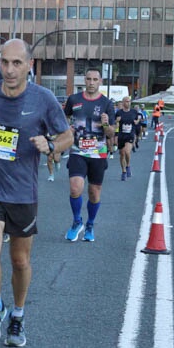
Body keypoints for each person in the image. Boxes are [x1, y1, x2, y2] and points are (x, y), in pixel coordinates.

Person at [0, 40, 72, 347]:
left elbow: (67, 136)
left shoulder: (43, 99)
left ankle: (18, 314)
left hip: (23, 191)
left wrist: (50, 146)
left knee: (20, 261)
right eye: (4, 63)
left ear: (29, 65)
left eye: (16, 63)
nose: (9, 70)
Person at [64, 66, 116, 242]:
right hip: (78, 151)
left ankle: (90, 224)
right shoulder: (74, 99)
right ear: (84, 81)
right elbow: (63, 118)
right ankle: (76, 221)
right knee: (75, 188)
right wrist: (67, 128)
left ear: (100, 81)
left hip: (98, 153)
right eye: (88, 79)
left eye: (95, 79)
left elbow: (111, 133)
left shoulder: (107, 104)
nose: (91, 83)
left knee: (94, 193)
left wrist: (106, 125)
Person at [113, 96, 137, 181]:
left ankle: (128, 166)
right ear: (123, 103)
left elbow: (138, 119)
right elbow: (113, 123)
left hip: (130, 135)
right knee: (122, 154)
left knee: (127, 152)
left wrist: (137, 121)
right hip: (121, 136)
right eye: (126, 101)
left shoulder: (134, 112)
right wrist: (117, 121)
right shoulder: (119, 112)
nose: (128, 103)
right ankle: (123, 171)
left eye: (129, 101)